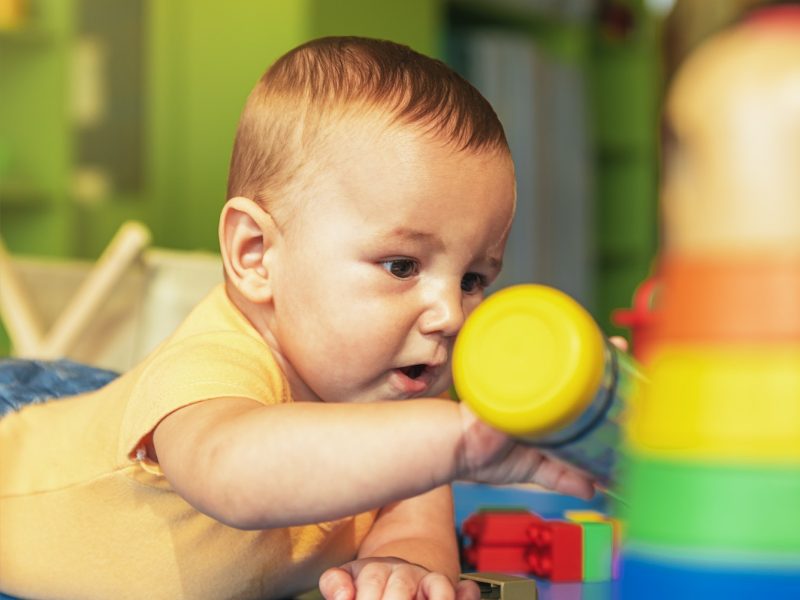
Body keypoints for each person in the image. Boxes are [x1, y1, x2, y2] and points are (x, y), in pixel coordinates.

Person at [0, 36, 595, 600]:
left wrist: (402, 565)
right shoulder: (213, 366)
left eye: (473, 280)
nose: (448, 314)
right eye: (401, 265)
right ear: (256, 254)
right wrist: (462, 443)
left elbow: (415, 519)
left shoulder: (406, 404)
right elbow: (232, 472)